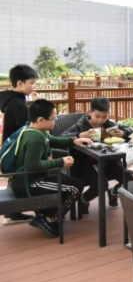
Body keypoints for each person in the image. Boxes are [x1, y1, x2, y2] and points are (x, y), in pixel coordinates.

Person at [12, 99, 91, 237]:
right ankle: (49, 219)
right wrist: (60, 162)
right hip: (29, 183)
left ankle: (45, 213)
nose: (55, 121)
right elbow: (32, 166)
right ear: (41, 119)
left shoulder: (34, 129)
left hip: (29, 179)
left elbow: (53, 140)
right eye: (53, 119)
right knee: (75, 187)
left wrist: (73, 141)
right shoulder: (35, 138)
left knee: (69, 182)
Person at [61, 97, 133, 214]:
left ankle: (114, 191)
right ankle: (83, 199)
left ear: (108, 114)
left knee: (129, 180)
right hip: (86, 162)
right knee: (101, 185)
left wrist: (123, 133)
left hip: (108, 161)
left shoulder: (109, 125)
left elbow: (131, 128)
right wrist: (79, 135)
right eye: (97, 116)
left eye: (104, 117)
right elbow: (62, 136)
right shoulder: (82, 125)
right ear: (90, 113)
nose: (100, 120)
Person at [0, 64, 39, 225]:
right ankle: (16, 212)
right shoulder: (17, 102)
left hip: (11, 145)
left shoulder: (12, 99)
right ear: (20, 83)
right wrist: (37, 106)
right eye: (32, 83)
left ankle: (11, 212)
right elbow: (28, 124)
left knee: (15, 177)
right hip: (17, 147)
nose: (33, 86)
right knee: (22, 177)